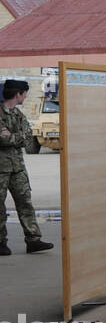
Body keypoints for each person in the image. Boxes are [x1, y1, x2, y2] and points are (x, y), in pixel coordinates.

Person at [0, 79, 53, 255]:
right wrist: (17, 136)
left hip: (17, 168)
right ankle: (1, 242)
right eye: (25, 94)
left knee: (25, 204)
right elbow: (3, 139)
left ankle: (33, 240)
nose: (25, 96)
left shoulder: (18, 114)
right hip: (1, 168)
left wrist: (11, 136)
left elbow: (28, 138)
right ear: (18, 94)